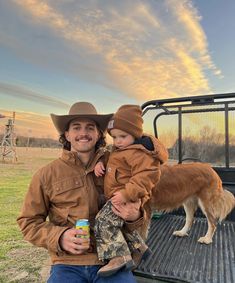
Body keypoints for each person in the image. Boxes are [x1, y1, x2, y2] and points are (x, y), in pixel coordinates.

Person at [17, 102, 145, 283]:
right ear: (67, 135)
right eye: (76, 128)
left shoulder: (119, 164)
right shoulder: (46, 175)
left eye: (90, 127)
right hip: (67, 263)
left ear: (99, 133)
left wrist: (135, 216)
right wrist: (60, 237)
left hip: (113, 259)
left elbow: (139, 204)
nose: (83, 133)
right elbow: (27, 222)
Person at [94, 105, 168, 277]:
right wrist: (100, 163)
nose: (117, 141)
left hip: (127, 197)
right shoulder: (120, 149)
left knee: (103, 222)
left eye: (122, 136)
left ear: (135, 134)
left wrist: (127, 194)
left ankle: (118, 256)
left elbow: (147, 176)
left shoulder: (140, 154)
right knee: (122, 227)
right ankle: (139, 248)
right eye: (114, 137)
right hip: (118, 195)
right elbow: (109, 157)